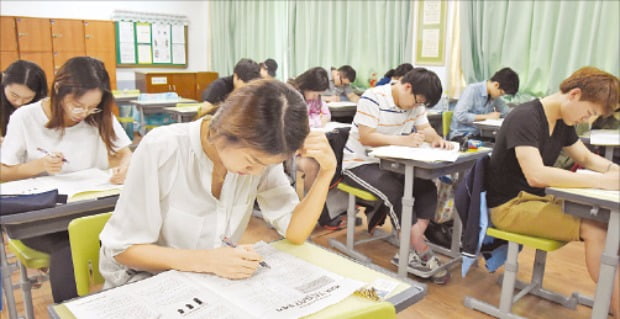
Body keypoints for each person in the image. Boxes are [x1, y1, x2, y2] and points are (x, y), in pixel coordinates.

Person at [99, 79, 336, 288]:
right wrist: (206, 260)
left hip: (205, 282)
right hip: (144, 281)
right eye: (253, 161)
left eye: (267, 164)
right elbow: (123, 250)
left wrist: (327, 172)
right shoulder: (163, 148)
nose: (258, 172)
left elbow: (295, 232)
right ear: (224, 132)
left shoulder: (261, 159)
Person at [486, 67, 619, 318]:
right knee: (596, 229)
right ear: (574, 94)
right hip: (509, 207)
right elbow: (536, 175)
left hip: (535, 199)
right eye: (589, 113)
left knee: (610, 222)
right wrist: (602, 183)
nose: (587, 121)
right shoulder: (525, 117)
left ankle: (613, 301)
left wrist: (614, 171)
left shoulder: (561, 121)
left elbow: (585, 157)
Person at [0, 56, 133, 302]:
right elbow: (3, 171)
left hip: (90, 208)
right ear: (59, 89)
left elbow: (126, 154)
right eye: (77, 105)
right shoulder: (25, 118)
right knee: (70, 246)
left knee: (133, 236)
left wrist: (125, 167)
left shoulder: (98, 115)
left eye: (91, 107)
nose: (83, 114)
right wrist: (37, 166)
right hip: (45, 217)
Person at [341, 68, 453, 284]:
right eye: (417, 101)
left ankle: (409, 246)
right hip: (360, 164)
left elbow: (426, 128)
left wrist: (437, 139)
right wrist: (403, 140)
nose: (417, 106)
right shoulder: (373, 98)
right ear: (407, 87)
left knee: (426, 186)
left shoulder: (415, 103)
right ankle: (421, 249)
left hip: (392, 165)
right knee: (396, 191)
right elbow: (366, 137)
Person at [448, 67, 519, 141]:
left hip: (479, 135)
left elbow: (506, 112)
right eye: (501, 93)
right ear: (496, 85)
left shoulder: (493, 95)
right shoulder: (472, 90)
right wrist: (487, 116)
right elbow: (460, 115)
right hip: (462, 136)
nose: (500, 96)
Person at [197, 58, 261, 118]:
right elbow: (204, 111)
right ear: (236, 77)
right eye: (245, 86)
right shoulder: (219, 86)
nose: (247, 91)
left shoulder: (257, 87)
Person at [1, 60, 48, 140]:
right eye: (14, 95)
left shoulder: (43, 105)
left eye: (27, 98)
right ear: (3, 81)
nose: (19, 102)